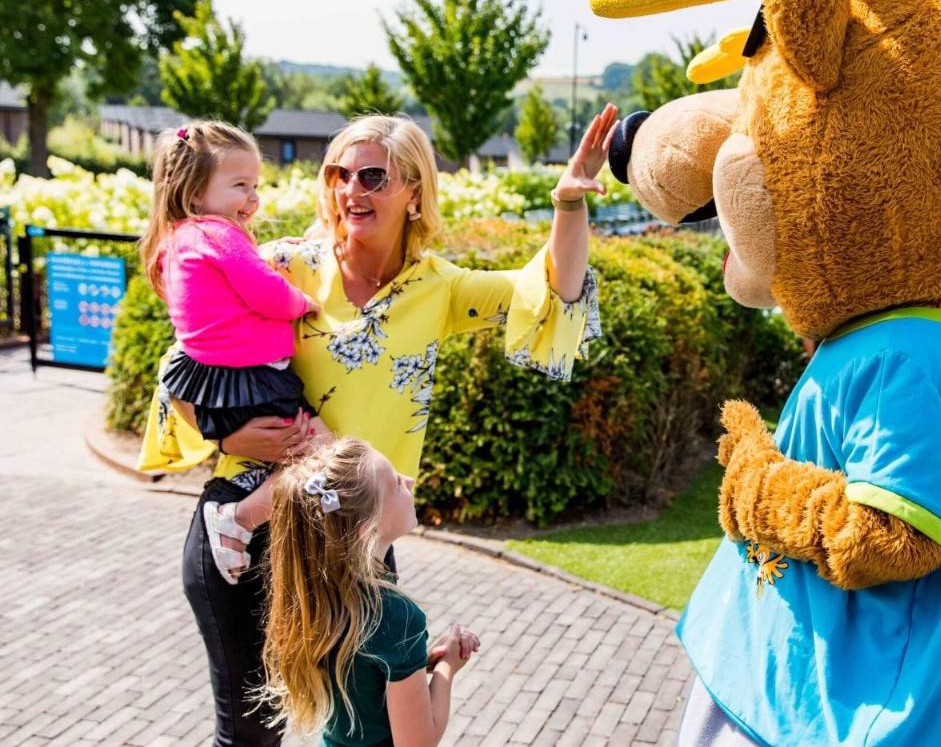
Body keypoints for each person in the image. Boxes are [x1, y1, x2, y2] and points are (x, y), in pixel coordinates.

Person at [138, 108, 614, 746]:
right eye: (339, 173)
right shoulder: (287, 266)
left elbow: (552, 291)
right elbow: (182, 367)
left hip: (359, 541)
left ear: (414, 191)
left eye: (372, 176)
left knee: (367, 734)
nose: (350, 190)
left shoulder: (439, 289)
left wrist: (567, 205)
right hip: (243, 533)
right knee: (251, 736)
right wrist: (230, 439)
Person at [139, 120, 331, 586]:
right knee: (318, 451)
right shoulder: (218, 234)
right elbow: (264, 291)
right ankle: (237, 519)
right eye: (240, 185)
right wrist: (302, 302)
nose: (253, 199)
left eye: (256, 186)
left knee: (302, 454)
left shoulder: (178, 239)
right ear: (195, 190)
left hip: (210, 384)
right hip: (253, 377)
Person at [260, 436, 479, 746]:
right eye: (395, 484)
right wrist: (447, 668)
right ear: (370, 529)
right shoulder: (396, 617)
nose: (410, 481)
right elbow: (418, 743)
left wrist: (419, 661)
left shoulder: (318, 599)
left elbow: (362, 677)